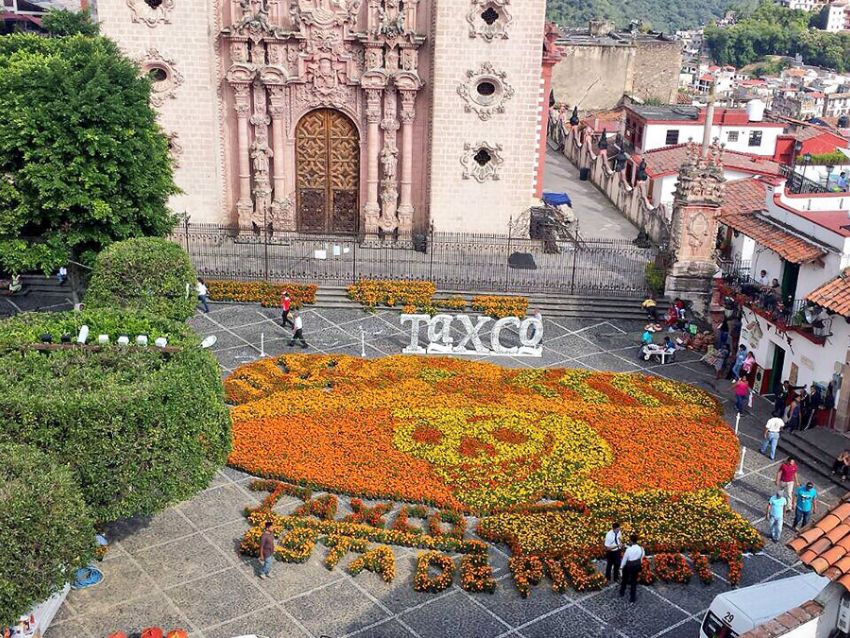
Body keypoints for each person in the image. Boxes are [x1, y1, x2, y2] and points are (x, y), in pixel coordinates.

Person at [619, 534, 645, 603]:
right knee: (634, 582)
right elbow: (642, 557)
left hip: (629, 567)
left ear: (631, 541)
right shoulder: (641, 549)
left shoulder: (628, 550)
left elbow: (624, 559)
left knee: (624, 580)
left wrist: (621, 567)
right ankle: (632, 598)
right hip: (636, 567)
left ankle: (622, 592)